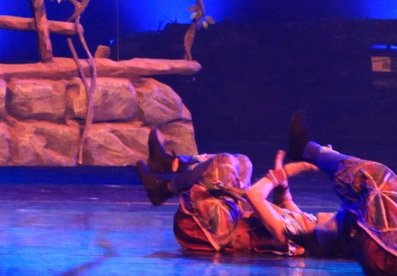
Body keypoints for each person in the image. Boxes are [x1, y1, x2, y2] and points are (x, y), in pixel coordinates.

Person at [137, 136, 337, 257]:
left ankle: (165, 187)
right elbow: (285, 202)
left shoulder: (294, 239)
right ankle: (172, 165)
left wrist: (285, 172)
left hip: (221, 231)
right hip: (236, 213)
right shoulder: (308, 223)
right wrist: (282, 185)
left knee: (224, 164)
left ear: (328, 237)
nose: (337, 215)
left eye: (338, 223)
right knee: (243, 162)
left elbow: (254, 196)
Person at [290, 112, 397, 275]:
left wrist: (279, 179)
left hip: (384, 253)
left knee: (376, 178)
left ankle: (309, 150)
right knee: (371, 189)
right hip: (383, 253)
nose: (322, 216)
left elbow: (257, 197)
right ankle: (315, 152)